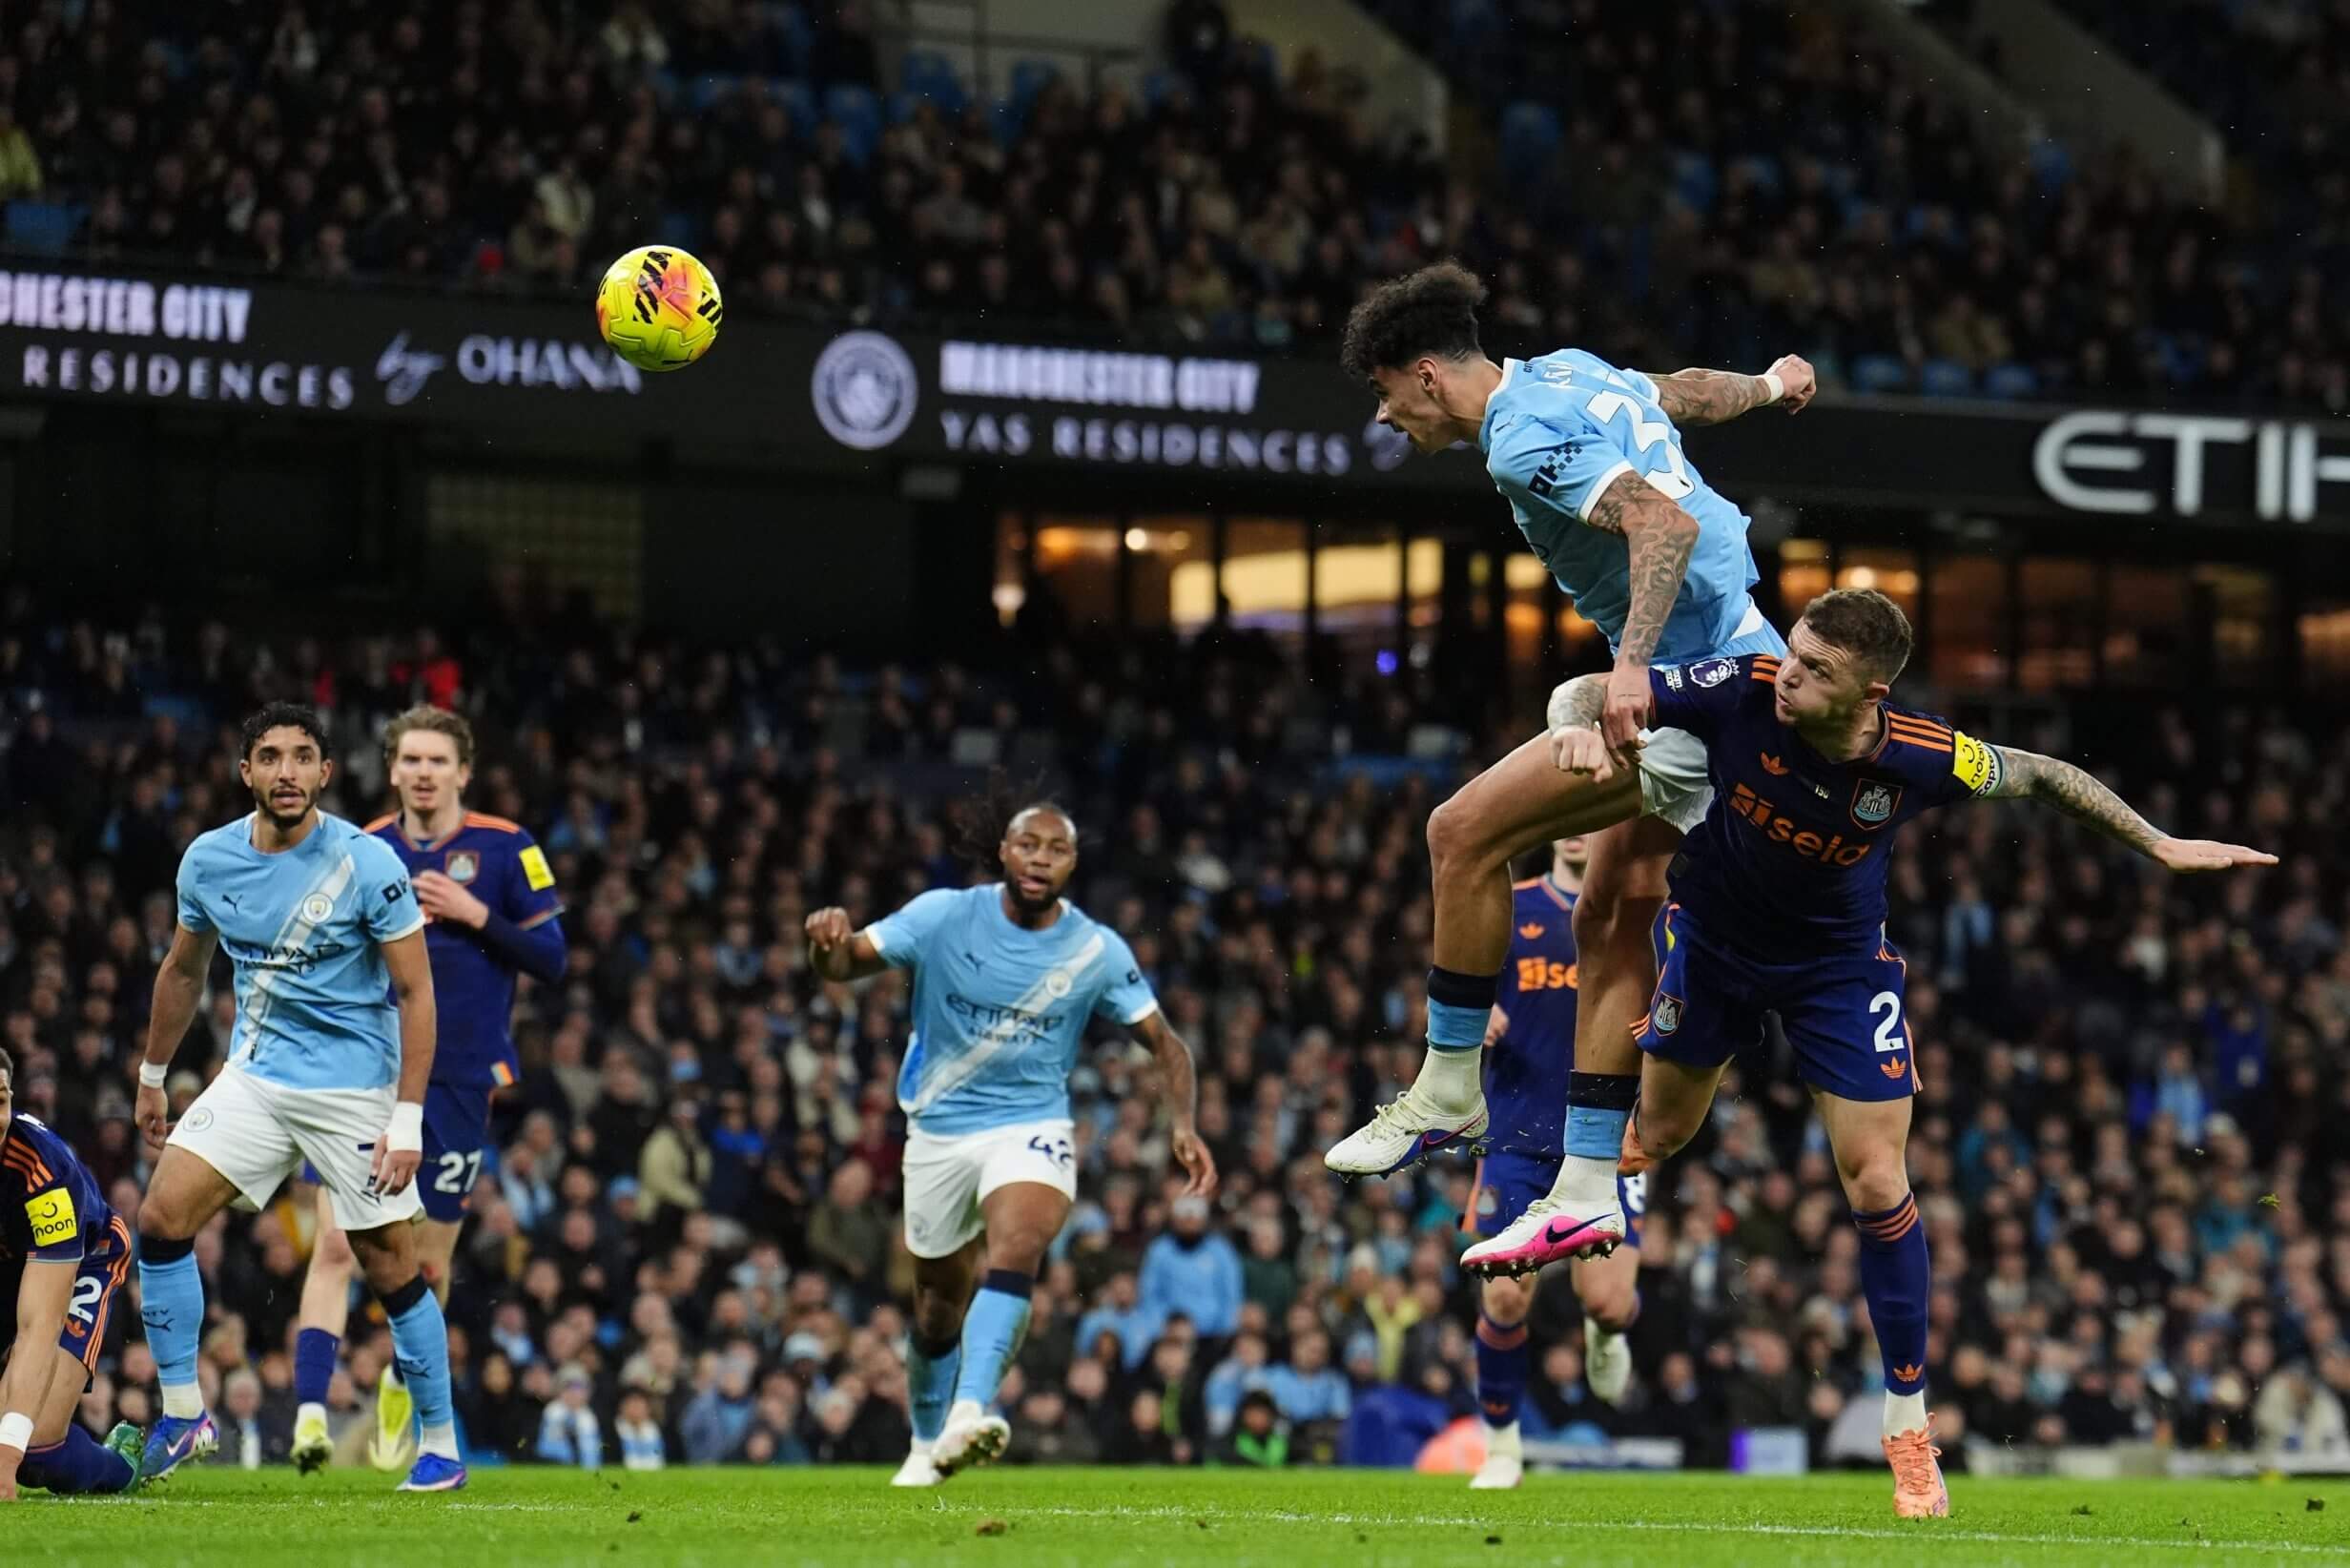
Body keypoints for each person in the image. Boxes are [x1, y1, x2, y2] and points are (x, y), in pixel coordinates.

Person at [1531, 588, 2275, 1516]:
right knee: (1662, 1136)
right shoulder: (1740, 687)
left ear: (1869, 694)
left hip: (1838, 974)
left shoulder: (1923, 755)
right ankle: (1605, 1297)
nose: (1788, 675)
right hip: (1713, 948)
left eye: (1815, 671)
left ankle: (1907, 1423)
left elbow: (2042, 774)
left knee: (1878, 1180)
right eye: (1794, 653)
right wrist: (1573, 728)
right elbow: (1591, 689)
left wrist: (2156, 843)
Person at [1324, 261, 1817, 1286]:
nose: (1384, 416)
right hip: (1745, 663)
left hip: (1697, 687)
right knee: (1611, 909)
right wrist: (1771, 385)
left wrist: (1630, 667)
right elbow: (1684, 393)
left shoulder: (1518, 436)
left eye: (1382, 392)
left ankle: (1446, 1091)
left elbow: (1664, 524)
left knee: (1461, 834)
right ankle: (1587, 1185)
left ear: (1424, 376)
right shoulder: (1567, 370)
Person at [804, 796, 1217, 1486]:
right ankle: (926, 1444)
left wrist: (1183, 1123)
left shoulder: (1094, 950)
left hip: (1032, 1125)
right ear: (1004, 851)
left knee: (1018, 1246)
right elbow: (845, 964)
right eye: (1029, 845)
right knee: (937, 1307)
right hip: (938, 1131)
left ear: (1073, 864)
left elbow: (1166, 1042)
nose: (1040, 860)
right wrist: (825, 944)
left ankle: (970, 1410)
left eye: (1056, 850)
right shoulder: (942, 916)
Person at [132, 703, 465, 1493]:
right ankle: (184, 1415)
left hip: (354, 1090)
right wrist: (151, 1074)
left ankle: (440, 1445)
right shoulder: (208, 861)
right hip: (256, 1078)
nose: (288, 771)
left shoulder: (367, 864)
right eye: (272, 756)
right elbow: (184, 970)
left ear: (325, 771)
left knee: (391, 1267)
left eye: (303, 756)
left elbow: (417, 993)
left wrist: (407, 1118)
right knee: (161, 1217)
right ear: (245, 771)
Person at [291, 706, 566, 1473]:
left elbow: (553, 958)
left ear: (463, 772)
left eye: (437, 761)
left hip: (460, 1076)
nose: (422, 772)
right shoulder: (360, 847)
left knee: (426, 1265)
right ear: (392, 769)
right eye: (410, 759)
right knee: (337, 1243)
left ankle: (400, 1386)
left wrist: (478, 914)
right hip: (366, 1073)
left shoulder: (508, 846)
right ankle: (309, 1417)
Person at [1458, 836, 1644, 1489]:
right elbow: (1458, 983)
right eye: (1567, 819)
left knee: (1609, 1303)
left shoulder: (1636, 910)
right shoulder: (1512, 907)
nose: (1576, 831)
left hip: (1610, 1137)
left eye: (1591, 821)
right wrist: (1476, 1012)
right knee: (1506, 1296)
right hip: (1516, 1132)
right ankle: (1502, 1448)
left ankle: (1606, 1334)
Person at [0, 1046, 146, 1498]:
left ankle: (121, 1464)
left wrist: (5, 1457)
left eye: (0, 1101)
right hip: (9, 1263)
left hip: (83, 1258)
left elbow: (40, 1325)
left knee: (34, 1450)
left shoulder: (44, 1173)